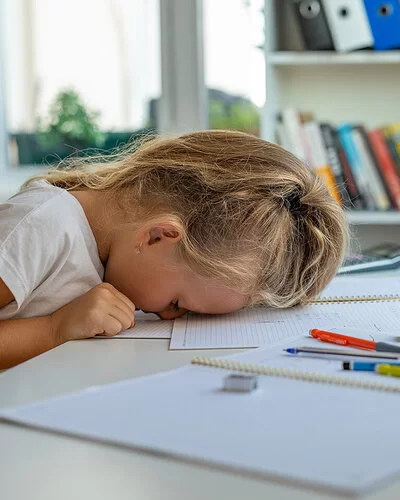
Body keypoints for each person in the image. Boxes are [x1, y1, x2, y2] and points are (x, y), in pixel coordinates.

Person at [0, 130, 348, 369]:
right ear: (156, 237)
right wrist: (53, 329)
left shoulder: (107, 257)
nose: (168, 317)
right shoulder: (39, 227)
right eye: (176, 304)